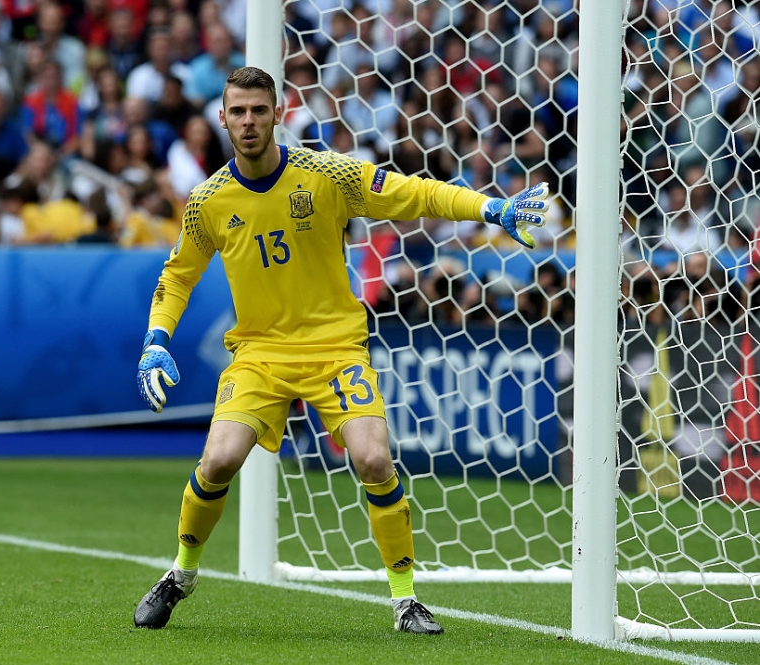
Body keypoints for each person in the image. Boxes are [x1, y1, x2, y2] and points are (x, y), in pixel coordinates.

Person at [132, 66, 550, 634]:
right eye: (238, 111)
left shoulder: (325, 173)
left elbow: (411, 192)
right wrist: (156, 341)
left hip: (335, 348)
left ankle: (406, 601)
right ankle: (179, 575)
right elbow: (177, 275)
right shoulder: (208, 201)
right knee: (219, 460)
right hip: (259, 353)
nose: (249, 121)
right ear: (223, 118)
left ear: (277, 113)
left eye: (259, 110)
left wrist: (487, 209)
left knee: (374, 459)